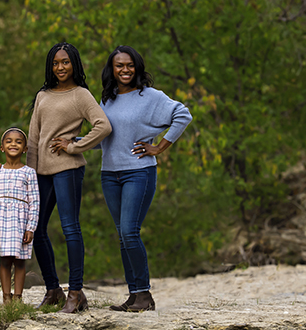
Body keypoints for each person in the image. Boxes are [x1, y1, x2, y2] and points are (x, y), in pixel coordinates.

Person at [97, 45, 192, 312]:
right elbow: (104, 139)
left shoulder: (150, 96)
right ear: (112, 70)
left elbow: (183, 115)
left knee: (130, 231)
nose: (125, 70)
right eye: (119, 66)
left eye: (129, 65)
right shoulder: (107, 99)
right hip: (109, 174)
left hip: (139, 172)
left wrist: (160, 146)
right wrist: (73, 143)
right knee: (122, 235)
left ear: (137, 67)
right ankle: (134, 294)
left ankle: (144, 295)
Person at [27, 42, 112, 313]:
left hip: (67, 169)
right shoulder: (43, 95)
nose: (60, 67)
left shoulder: (81, 95)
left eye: (65, 62)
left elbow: (103, 125)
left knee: (69, 228)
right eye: (55, 63)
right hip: (41, 171)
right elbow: (33, 137)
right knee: (37, 229)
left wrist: (74, 145)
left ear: (74, 63)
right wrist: (28, 174)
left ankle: (75, 291)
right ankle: (53, 289)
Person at [0, 128, 40, 303]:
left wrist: (31, 228)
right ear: (2, 147)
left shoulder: (29, 172)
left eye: (19, 142)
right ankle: (6, 296)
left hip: (21, 222)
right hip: (2, 221)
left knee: (19, 261)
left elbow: (35, 202)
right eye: (9, 141)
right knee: (5, 260)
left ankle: (18, 297)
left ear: (25, 148)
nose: (14, 144)